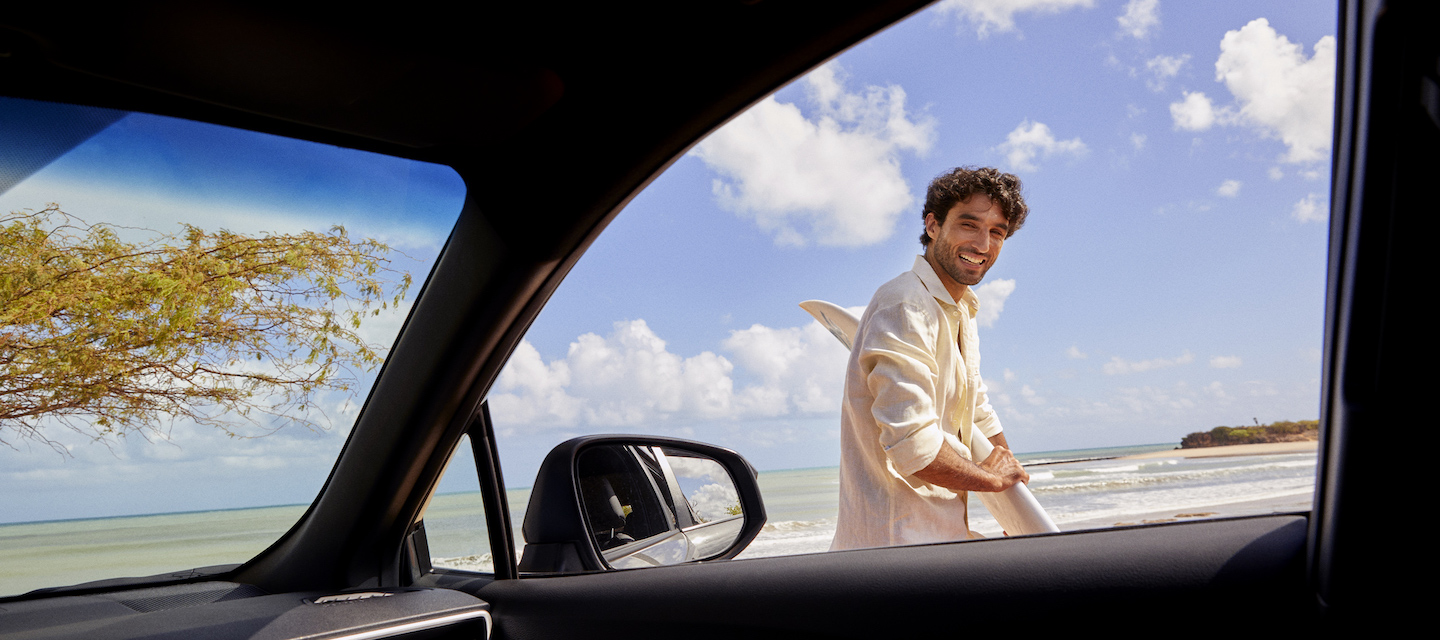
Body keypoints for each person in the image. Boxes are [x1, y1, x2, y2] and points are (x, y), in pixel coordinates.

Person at [831, 166, 1032, 551]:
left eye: (997, 232)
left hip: (941, 537)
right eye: (969, 225)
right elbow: (913, 445)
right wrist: (991, 480)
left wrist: (1016, 499)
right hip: (896, 548)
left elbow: (977, 412)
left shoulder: (959, 309)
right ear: (933, 225)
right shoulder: (906, 304)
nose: (983, 244)